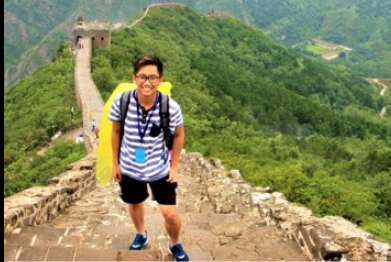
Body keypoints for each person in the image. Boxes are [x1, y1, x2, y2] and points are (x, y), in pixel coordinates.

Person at [108, 55, 188, 261]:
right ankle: (141, 234)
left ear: (160, 80)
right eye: (142, 77)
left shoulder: (170, 107)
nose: (147, 82)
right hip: (129, 166)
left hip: (160, 168)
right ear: (135, 78)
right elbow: (115, 131)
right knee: (134, 203)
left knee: (170, 213)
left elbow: (179, 135)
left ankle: (175, 243)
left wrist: (174, 167)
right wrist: (115, 163)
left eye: (152, 77)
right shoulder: (122, 101)